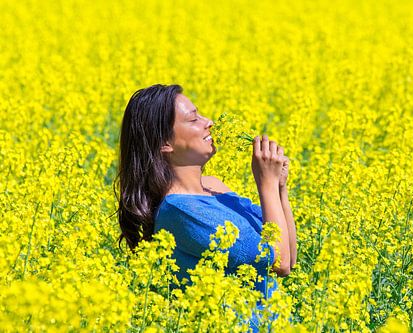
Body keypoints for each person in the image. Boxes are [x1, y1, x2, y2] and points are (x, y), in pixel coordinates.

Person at [115, 84, 297, 331]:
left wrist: (279, 188)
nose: (208, 122)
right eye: (193, 119)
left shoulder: (215, 187)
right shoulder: (181, 212)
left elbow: (290, 257)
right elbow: (279, 262)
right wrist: (265, 184)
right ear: (164, 144)